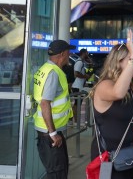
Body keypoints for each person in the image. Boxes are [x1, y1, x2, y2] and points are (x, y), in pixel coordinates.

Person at [89, 29, 133, 179]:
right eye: (131, 59)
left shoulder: (132, 87)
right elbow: (117, 93)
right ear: (117, 63)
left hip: (132, 155)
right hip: (110, 158)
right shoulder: (104, 85)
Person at [33, 39, 76, 179]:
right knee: (57, 173)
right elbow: (45, 103)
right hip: (49, 134)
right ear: (62, 54)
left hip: (49, 131)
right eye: (68, 52)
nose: (69, 55)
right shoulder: (53, 73)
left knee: (58, 170)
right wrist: (53, 134)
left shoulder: (45, 69)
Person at [71, 48, 91, 124]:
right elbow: (76, 73)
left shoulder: (81, 62)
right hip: (77, 86)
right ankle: (74, 119)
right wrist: (85, 76)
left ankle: (74, 119)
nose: (88, 54)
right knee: (77, 104)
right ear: (83, 53)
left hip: (79, 85)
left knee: (77, 103)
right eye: (87, 53)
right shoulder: (79, 62)